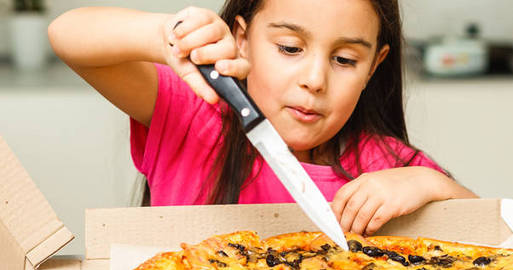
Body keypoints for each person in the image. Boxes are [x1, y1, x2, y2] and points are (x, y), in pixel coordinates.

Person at [47, 0, 477, 235]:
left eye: (345, 59)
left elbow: (494, 239)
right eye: (290, 48)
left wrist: (433, 184)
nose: (314, 79)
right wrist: (165, 36)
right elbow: (67, 35)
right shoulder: (194, 113)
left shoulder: (393, 168)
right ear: (243, 40)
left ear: (374, 67)